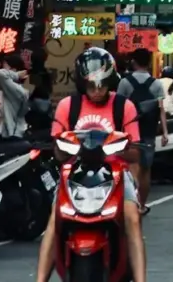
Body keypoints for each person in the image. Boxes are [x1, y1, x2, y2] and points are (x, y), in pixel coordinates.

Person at [37, 48, 144, 282]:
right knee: (54, 222)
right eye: (91, 85)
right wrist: (66, 149)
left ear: (110, 82)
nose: (97, 91)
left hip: (116, 173)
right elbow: (58, 152)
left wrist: (118, 148)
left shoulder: (124, 106)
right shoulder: (68, 106)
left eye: (102, 85)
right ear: (81, 83)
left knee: (132, 219)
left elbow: (135, 153)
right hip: (74, 174)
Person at [117, 48, 168, 210]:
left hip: (128, 133)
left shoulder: (125, 83)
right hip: (148, 132)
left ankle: (130, 205)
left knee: (131, 168)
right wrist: (165, 132)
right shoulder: (156, 84)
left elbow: (118, 108)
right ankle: (142, 205)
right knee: (146, 171)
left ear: (133, 62)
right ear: (148, 63)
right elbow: (161, 110)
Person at [0, 55, 29, 139]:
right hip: (2, 133)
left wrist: (16, 75)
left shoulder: (16, 90)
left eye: (4, 66)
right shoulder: (3, 90)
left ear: (14, 70)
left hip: (13, 135)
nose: (2, 68)